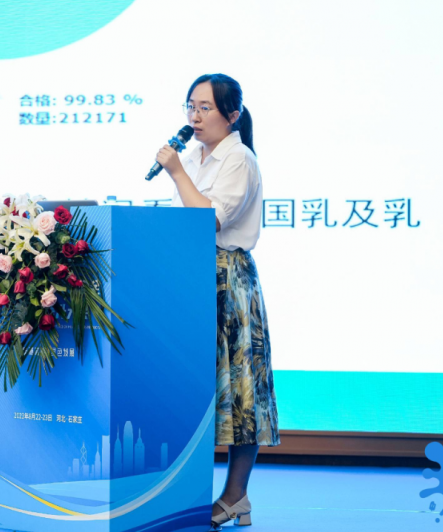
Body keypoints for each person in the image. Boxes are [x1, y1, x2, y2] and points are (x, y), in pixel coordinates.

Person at [156, 73, 280, 531]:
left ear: (232, 114)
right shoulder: (194, 156)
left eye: (205, 107)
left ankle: (235, 496)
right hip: (191, 278)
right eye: (190, 106)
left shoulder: (239, 159)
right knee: (198, 385)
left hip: (228, 280)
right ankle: (182, 491)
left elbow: (208, 220)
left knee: (240, 387)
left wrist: (176, 172)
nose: (194, 116)